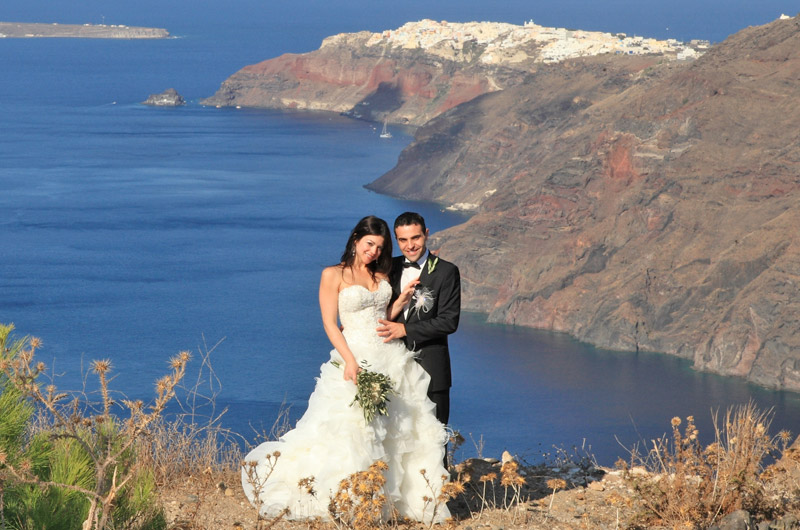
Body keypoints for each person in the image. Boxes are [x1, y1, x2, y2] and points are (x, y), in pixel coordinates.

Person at [242, 215, 450, 523]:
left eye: (380, 247)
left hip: (389, 356)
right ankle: (352, 499)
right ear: (355, 240)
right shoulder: (332, 274)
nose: (374, 252)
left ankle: (396, 501)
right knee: (354, 430)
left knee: (397, 429)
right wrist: (350, 360)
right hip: (354, 356)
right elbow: (329, 322)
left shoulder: (380, 273)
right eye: (369, 244)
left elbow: (381, 316)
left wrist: (401, 301)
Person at [378, 212, 461, 427]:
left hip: (432, 369)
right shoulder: (388, 269)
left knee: (433, 436)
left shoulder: (447, 271)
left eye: (415, 238)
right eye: (403, 240)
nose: (410, 245)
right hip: (392, 369)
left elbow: (448, 321)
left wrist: (404, 330)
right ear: (396, 240)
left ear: (426, 234)